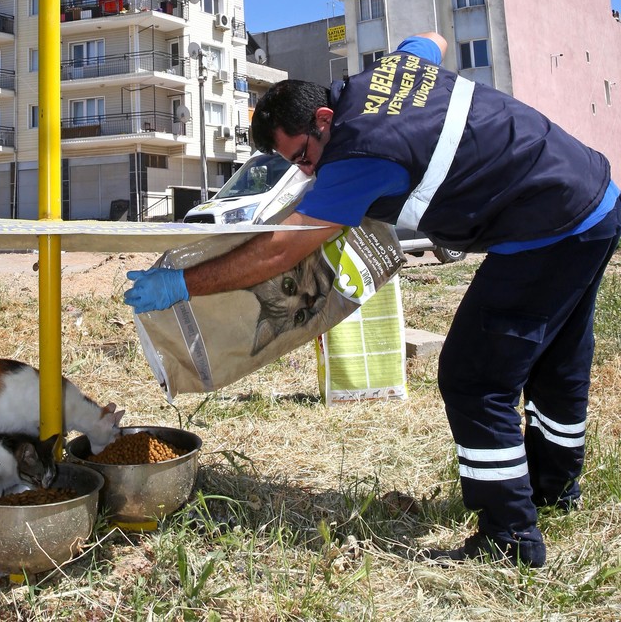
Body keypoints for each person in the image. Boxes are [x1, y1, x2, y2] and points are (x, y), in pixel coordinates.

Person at [124, 31, 621, 568]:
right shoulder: (384, 75)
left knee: (475, 377)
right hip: (596, 199)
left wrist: (184, 284)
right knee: (558, 361)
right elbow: (433, 40)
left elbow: (278, 252)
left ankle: (510, 538)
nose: (307, 171)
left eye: (305, 155)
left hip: (549, 225)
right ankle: (555, 491)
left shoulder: (358, 153)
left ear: (322, 119)